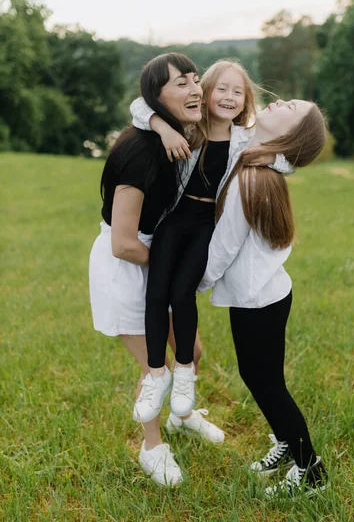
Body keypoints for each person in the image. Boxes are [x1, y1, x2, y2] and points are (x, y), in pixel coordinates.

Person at [89, 53, 224, 489]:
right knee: (156, 368)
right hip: (128, 265)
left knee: (193, 351)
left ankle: (182, 418)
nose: (194, 89)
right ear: (158, 97)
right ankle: (152, 449)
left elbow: (139, 105)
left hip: (159, 253)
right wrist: (174, 265)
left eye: (195, 80)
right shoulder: (138, 155)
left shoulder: (174, 130)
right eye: (180, 83)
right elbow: (123, 243)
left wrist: (165, 124)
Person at [130, 60, 284, 423]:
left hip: (206, 228)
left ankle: (184, 372)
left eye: (238, 92)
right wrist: (161, 128)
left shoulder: (247, 139)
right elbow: (140, 106)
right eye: (222, 89)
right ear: (206, 92)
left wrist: (271, 157)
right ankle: (157, 373)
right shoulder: (186, 126)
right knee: (155, 294)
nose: (229, 97)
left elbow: (291, 159)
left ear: (246, 100)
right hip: (174, 220)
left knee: (182, 292)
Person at [198, 98, 329, 497]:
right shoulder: (261, 163)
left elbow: (223, 245)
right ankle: (288, 443)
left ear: (290, 135)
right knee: (260, 377)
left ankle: (311, 470)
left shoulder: (255, 177)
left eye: (288, 107)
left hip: (259, 300)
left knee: (265, 382)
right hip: (264, 294)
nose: (277, 101)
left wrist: (192, 285)